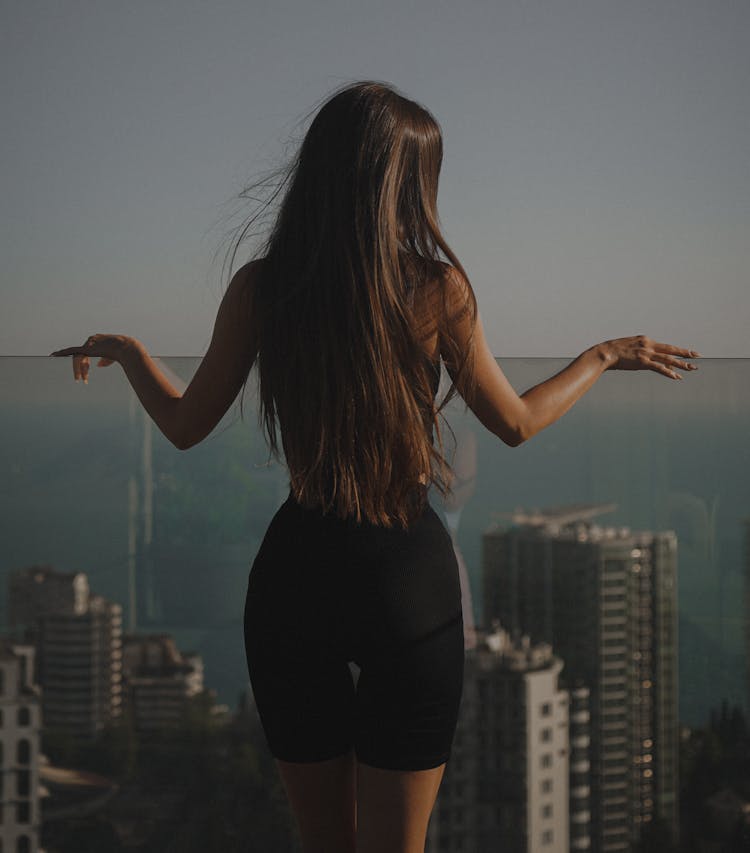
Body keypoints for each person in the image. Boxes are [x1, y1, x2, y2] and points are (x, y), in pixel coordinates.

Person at [52, 82, 698, 853]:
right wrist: (601, 354)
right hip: (408, 584)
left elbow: (187, 425)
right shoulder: (435, 288)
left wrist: (127, 352)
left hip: (295, 576)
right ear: (402, 182)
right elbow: (517, 424)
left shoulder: (265, 286)